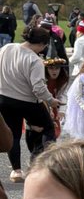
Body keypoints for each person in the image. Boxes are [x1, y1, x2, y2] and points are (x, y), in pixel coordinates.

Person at [0, 24, 59, 181]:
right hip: (27, 101)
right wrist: (51, 100)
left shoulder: (7, 48)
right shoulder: (35, 60)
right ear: (41, 44)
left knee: (13, 134)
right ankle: (42, 165)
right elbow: (38, 88)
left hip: (4, 98)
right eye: (44, 47)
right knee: (48, 128)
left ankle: (16, 171)